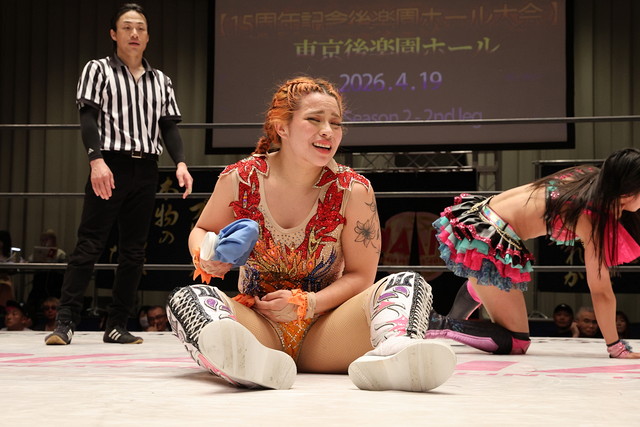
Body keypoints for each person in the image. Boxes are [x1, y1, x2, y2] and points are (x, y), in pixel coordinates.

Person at [166, 76, 456, 391]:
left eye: (336, 123)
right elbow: (203, 230)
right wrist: (206, 254)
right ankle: (243, 363)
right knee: (188, 298)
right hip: (259, 329)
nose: (328, 131)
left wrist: (309, 303)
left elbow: (361, 276)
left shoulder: (354, 189)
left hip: (329, 331)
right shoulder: (241, 178)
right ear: (282, 127)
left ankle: (394, 352)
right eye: (314, 120)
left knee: (408, 283)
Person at [45, 3, 193, 346]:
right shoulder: (97, 69)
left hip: (147, 166)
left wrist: (181, 163)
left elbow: (168, 127)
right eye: (127, 27)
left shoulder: (161, 80)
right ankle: (65, 321)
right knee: (90, 243)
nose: (134, 33)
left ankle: (117, 324)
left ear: (148, 36)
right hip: (110, 163)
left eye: (140, 28)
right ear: (114, 34)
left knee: (134, 250)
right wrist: (96, 160)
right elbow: (87, 117)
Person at [427, 148, 640, 358]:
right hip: (489, 235)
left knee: (488, 282)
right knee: (516, 342)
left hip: (480, 216)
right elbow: (601, 291)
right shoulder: (589, 215)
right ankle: (437, 324)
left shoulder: (588, 176)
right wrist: (616, 347)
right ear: (627, 194)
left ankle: (450, 323)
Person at [27, 229, 67, 310]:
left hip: (55, 281)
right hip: (40, 281)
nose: (44, 242)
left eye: (46, 240)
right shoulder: (38, 252)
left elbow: (64, 264)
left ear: (53, 240)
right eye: (42, 240)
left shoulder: (60, 253)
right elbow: (30, 260)